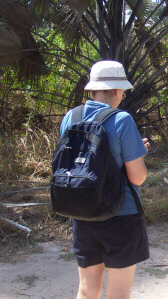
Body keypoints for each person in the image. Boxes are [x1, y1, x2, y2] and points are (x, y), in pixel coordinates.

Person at [59, 60, 150, 299]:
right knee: (118, 293)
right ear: (118, 91)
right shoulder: (122, 120)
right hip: (121, 215)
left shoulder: (71, 117)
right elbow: (138, 177)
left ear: (93, 89)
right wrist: (139, 154)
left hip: (82, 212)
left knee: (87, 290)